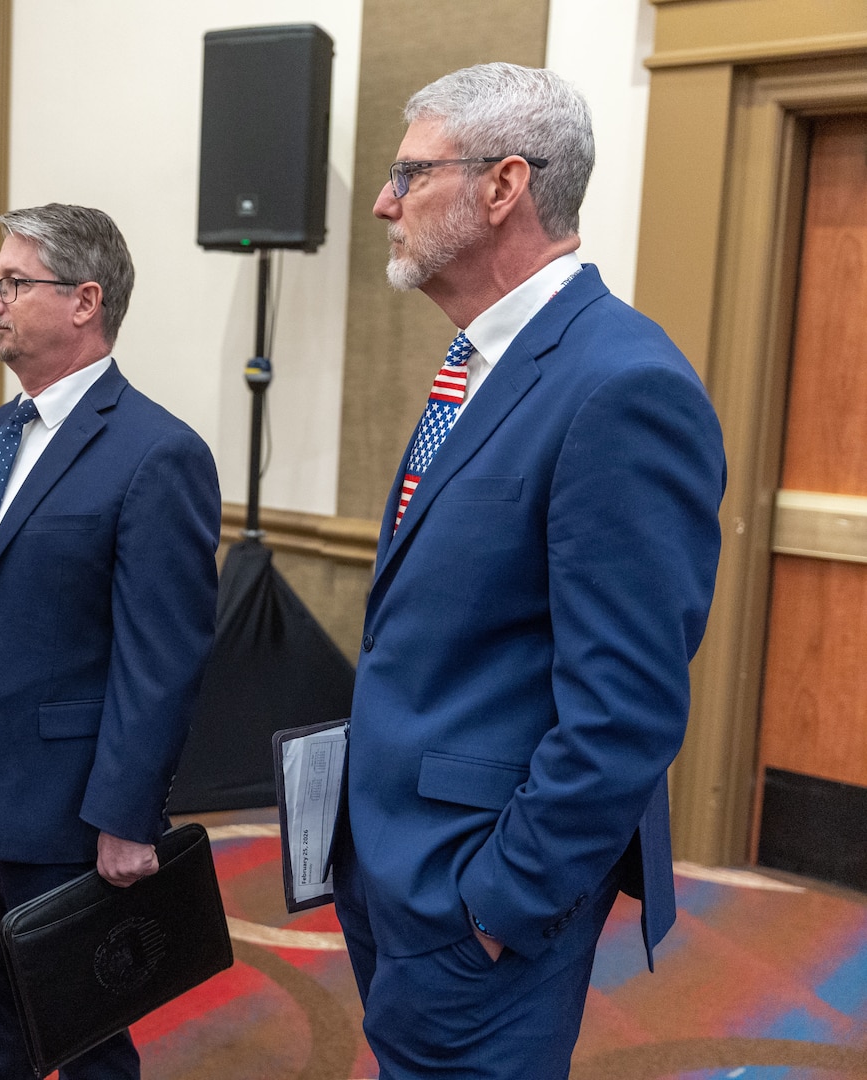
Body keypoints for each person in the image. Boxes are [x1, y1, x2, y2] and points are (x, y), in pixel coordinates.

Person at [332, 64, 725, 1078]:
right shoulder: (482, 360)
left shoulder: (622, 385)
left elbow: (626, 710)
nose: (383, 200)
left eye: (408, 172)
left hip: (478, 898)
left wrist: (500, 904)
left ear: (503, 187)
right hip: (399, 860)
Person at [0, 204, 220, 1079]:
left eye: (10, 282)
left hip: (66, 816)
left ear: (84, 301)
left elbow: (163, 662)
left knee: (87, 1044)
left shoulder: (158, 454)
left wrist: (125, 817)